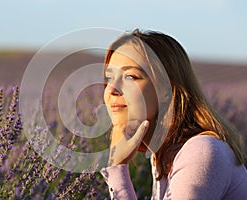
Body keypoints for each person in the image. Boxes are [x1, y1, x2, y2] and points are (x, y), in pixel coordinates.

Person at [100, 29, 247, 199]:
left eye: (131, 76)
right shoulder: (163, 155)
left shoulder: (201, 151)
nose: (112, 89)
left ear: (166, 90)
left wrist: (117, 169)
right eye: (109, 78)